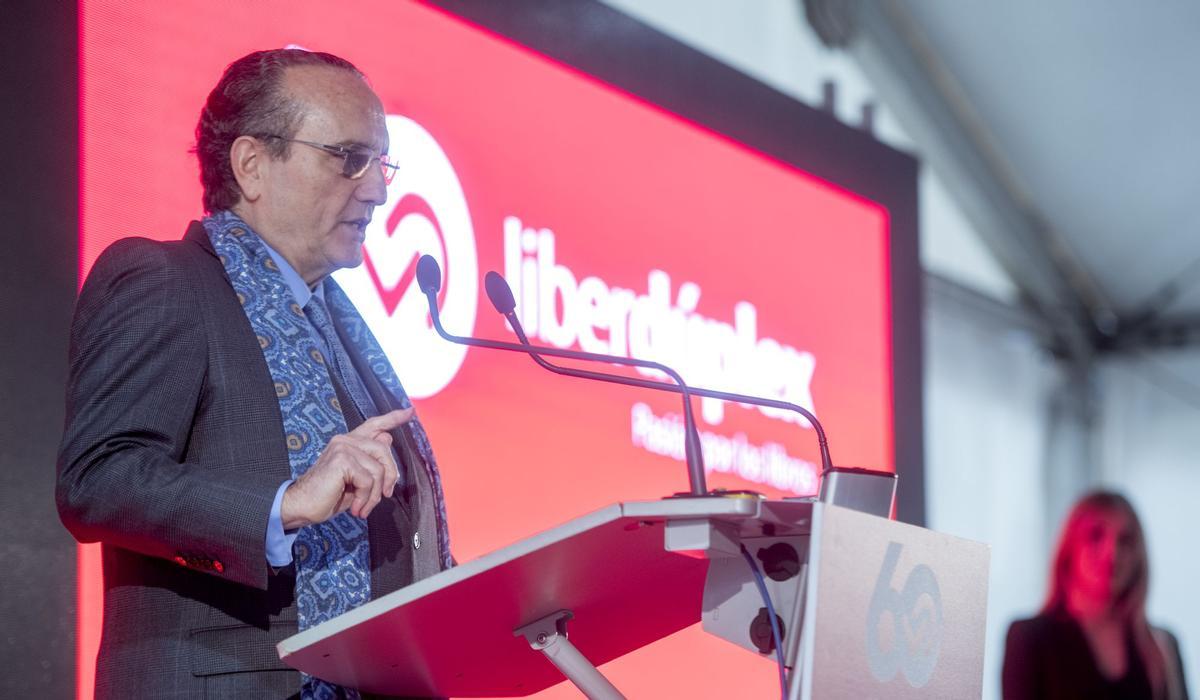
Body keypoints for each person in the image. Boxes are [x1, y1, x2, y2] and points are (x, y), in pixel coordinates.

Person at [57, 49, 452, 698]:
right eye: (349, 158)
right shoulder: (165, 280)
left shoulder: (344, 335)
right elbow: (97, 479)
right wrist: (283, 504)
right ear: (252, 165)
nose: (380, 189)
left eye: (380, 163)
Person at [1002, 491, 1189, 700]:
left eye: (1125, 541)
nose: (1112, 553)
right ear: (1070, 547)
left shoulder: (1161, 647)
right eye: (1095, 536)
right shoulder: (1030, 637)